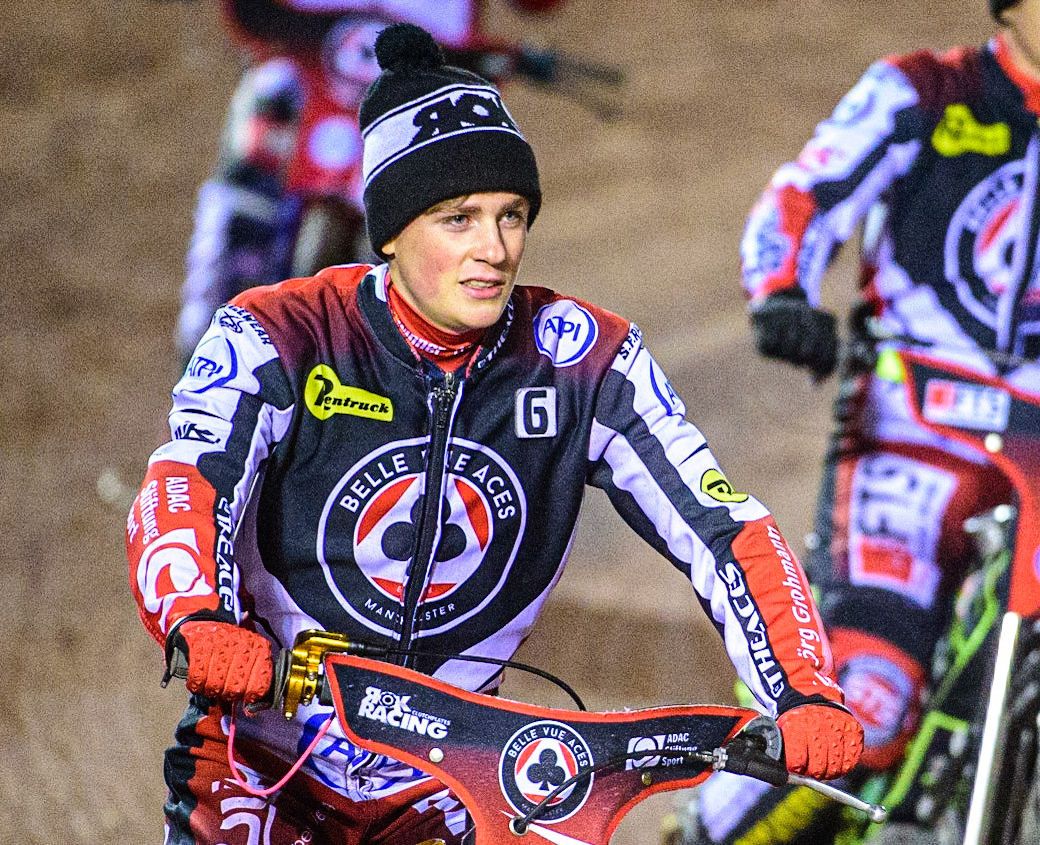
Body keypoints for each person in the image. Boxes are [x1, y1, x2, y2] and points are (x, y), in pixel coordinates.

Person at [128, 23, 864, 845]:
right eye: (458, 218)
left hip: (454, 782)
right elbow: (189, 483)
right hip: (262, 765)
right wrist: (198, 617)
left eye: (511, 215)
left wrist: (802, 686)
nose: (494, 249)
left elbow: (721, 527)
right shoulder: (278, 332)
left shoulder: (584, 359)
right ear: (394, 231)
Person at [668, 1, 1040, 842]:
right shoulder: (923, 91)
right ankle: (706, 833)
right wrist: (781, 294)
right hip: (915, 424)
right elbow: (804, 194)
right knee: (866, 700)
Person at [175, 0, 566, 364]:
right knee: (253, 171)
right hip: (302, 58)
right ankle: (205, 334)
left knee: (428, 234)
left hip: (422, 83)